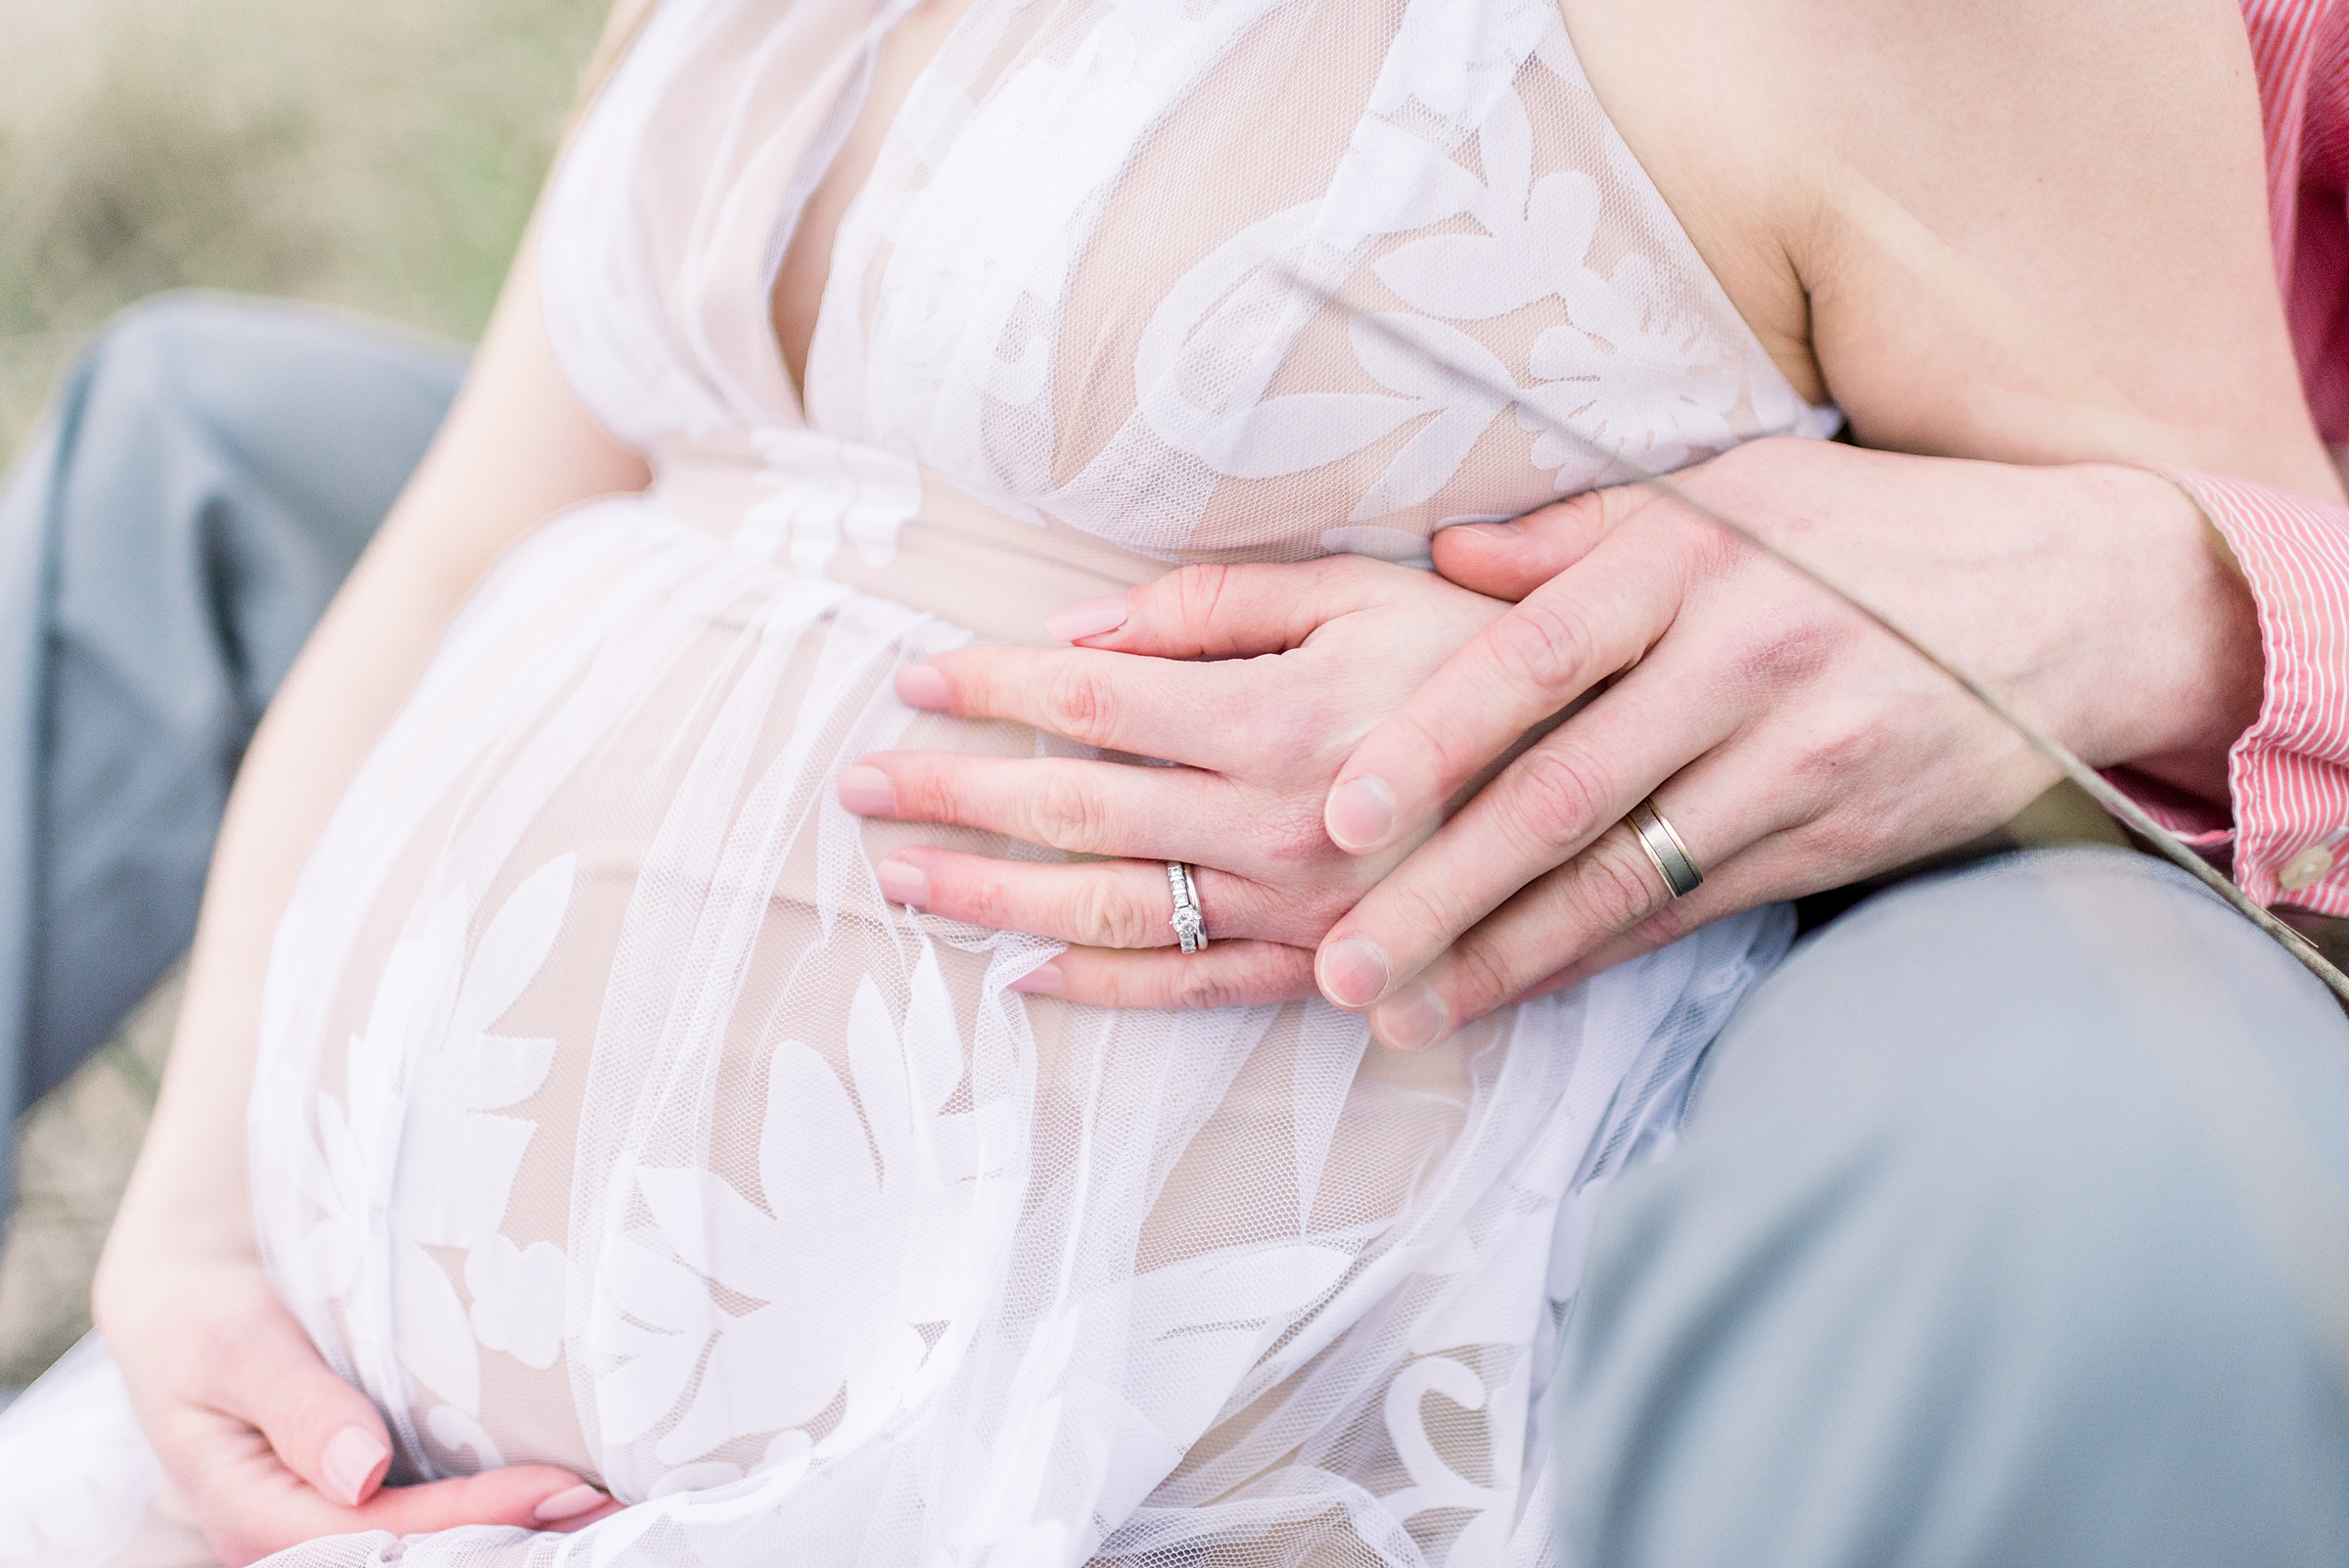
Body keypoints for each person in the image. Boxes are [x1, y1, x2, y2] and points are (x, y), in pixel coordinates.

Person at [0, 4, 2332, 1568]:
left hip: (1124, 1460)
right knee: (171, 433)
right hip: (318, 1444)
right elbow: (486, 536)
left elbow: (2215, 668)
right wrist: (202, 1221)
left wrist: (2158, 602)